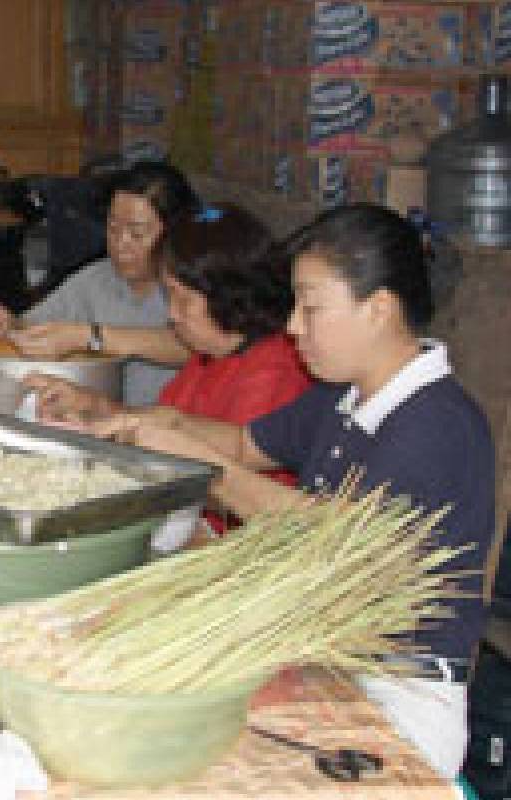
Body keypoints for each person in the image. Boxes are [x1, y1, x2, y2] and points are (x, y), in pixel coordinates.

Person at [84, 204, 493, 778]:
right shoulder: (342, 394)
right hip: (318, 661)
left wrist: (206, 469)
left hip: (395, 697)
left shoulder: (436, 425)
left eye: (311, 306)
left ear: (378, 310)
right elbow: (246, 444)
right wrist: (145, 425)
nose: (294, 326)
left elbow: (338, 539)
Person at [27, 204, 311, 536]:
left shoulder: (273, 374)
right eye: (168, 297)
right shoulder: (211, 355)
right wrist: (95, 409)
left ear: (228, 296)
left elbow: (230, 493)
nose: (172, 314)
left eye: (182, 299)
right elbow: (169, 429)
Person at [0, 160, 199, 406]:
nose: (121, 244)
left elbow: (195, 347)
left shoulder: (197, 283)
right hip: (108, 427)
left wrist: (92, 337)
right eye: (113, 228)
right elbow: (30, 327)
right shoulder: (97, 279)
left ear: (175, 231)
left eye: (137, 233)